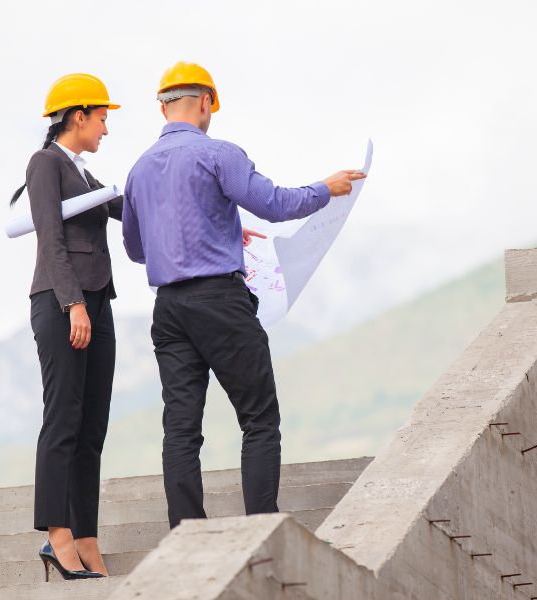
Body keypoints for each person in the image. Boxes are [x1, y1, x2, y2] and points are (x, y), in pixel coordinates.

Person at [122, 61, 366, 529]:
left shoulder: (138, 171)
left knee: (180, 428)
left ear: (163, 105)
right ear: (207, 101)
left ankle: (187, 534)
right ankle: (260, 528)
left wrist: (218, 229)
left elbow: (137, 249)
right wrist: (326, 188)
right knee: (258, 418)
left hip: (168, 310)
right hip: (220, 301)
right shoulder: (219, 154)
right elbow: (275, 205)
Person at [10, 73, 122, 580]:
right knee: (63, 420)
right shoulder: (46, 164)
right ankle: (57, 536)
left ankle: (87, 539)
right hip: (62, 305)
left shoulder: (86, 175)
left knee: (92, 428)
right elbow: (51, 240)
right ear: (78, 116)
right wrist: (73, 303)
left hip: (98, 304)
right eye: (102, 118)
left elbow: (131, 209)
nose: (105, 129)